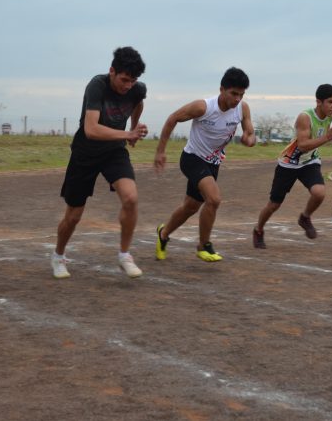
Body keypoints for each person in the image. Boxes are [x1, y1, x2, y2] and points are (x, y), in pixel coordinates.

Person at [51, 47, 149, 280]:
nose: (127, 86)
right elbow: (91, 129)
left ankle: (124, 255)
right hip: (85, 153)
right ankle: (58, 256)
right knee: (73, 215)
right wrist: (128, 135)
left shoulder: (137, 89)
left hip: (114, 151)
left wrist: (134, 126)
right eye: (124, 80)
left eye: (132, 81)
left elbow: (138, 102)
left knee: (131, 198)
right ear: (112, 71)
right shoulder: (97, 86)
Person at [154, 67, 256, 261]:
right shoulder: (204, 107)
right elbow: (172, 118)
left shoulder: (243, 108)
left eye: (241, 95)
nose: (237, 99)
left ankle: (163, 234)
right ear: (221, 89)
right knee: (214, 199)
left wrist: (249, 139)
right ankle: (203, 246)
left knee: (190, 207)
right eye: (233, 93)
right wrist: (160, 151)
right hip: (192, 158)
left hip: (213, 163)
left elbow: (250, 133)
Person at [252, 85, 332, 248]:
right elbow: (302, 145)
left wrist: (327, 136)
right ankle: (258, 230)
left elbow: (320, 137)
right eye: (330, 102)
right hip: (289, 164)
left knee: (319, 193)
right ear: (318, 102)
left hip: (309, 162)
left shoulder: (330, 116)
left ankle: (305, 217)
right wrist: (328, 137)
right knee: (274, 205)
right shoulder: (305, 117)